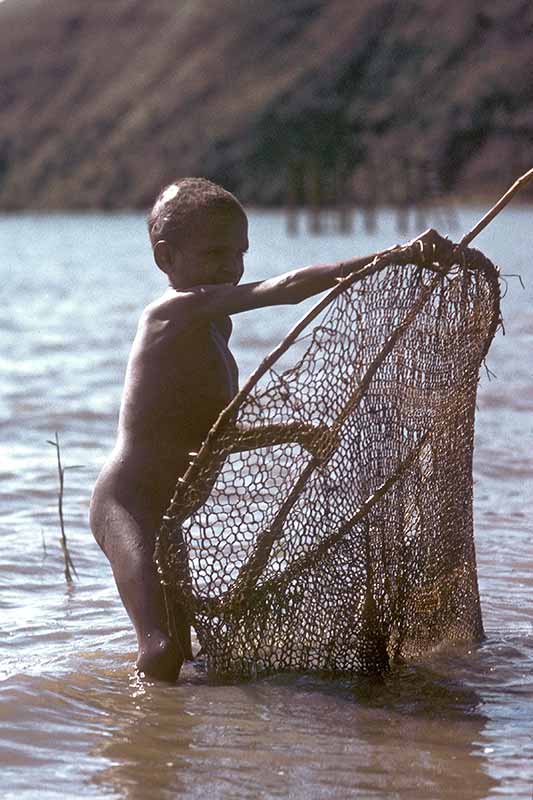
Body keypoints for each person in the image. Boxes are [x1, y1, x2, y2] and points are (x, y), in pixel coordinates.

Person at [90, 177, 441, 682]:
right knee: (162, 650)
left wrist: (292, 432)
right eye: (214, 254)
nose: (231, 268)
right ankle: (139, 751)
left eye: (239, 254)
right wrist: (394, 255)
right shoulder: (170, 313)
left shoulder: (215, 329)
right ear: (166, 258)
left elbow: (208, 436)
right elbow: (285, 289)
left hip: (169, 520)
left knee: (187, 655)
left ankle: (175, 746)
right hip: (128, 508)